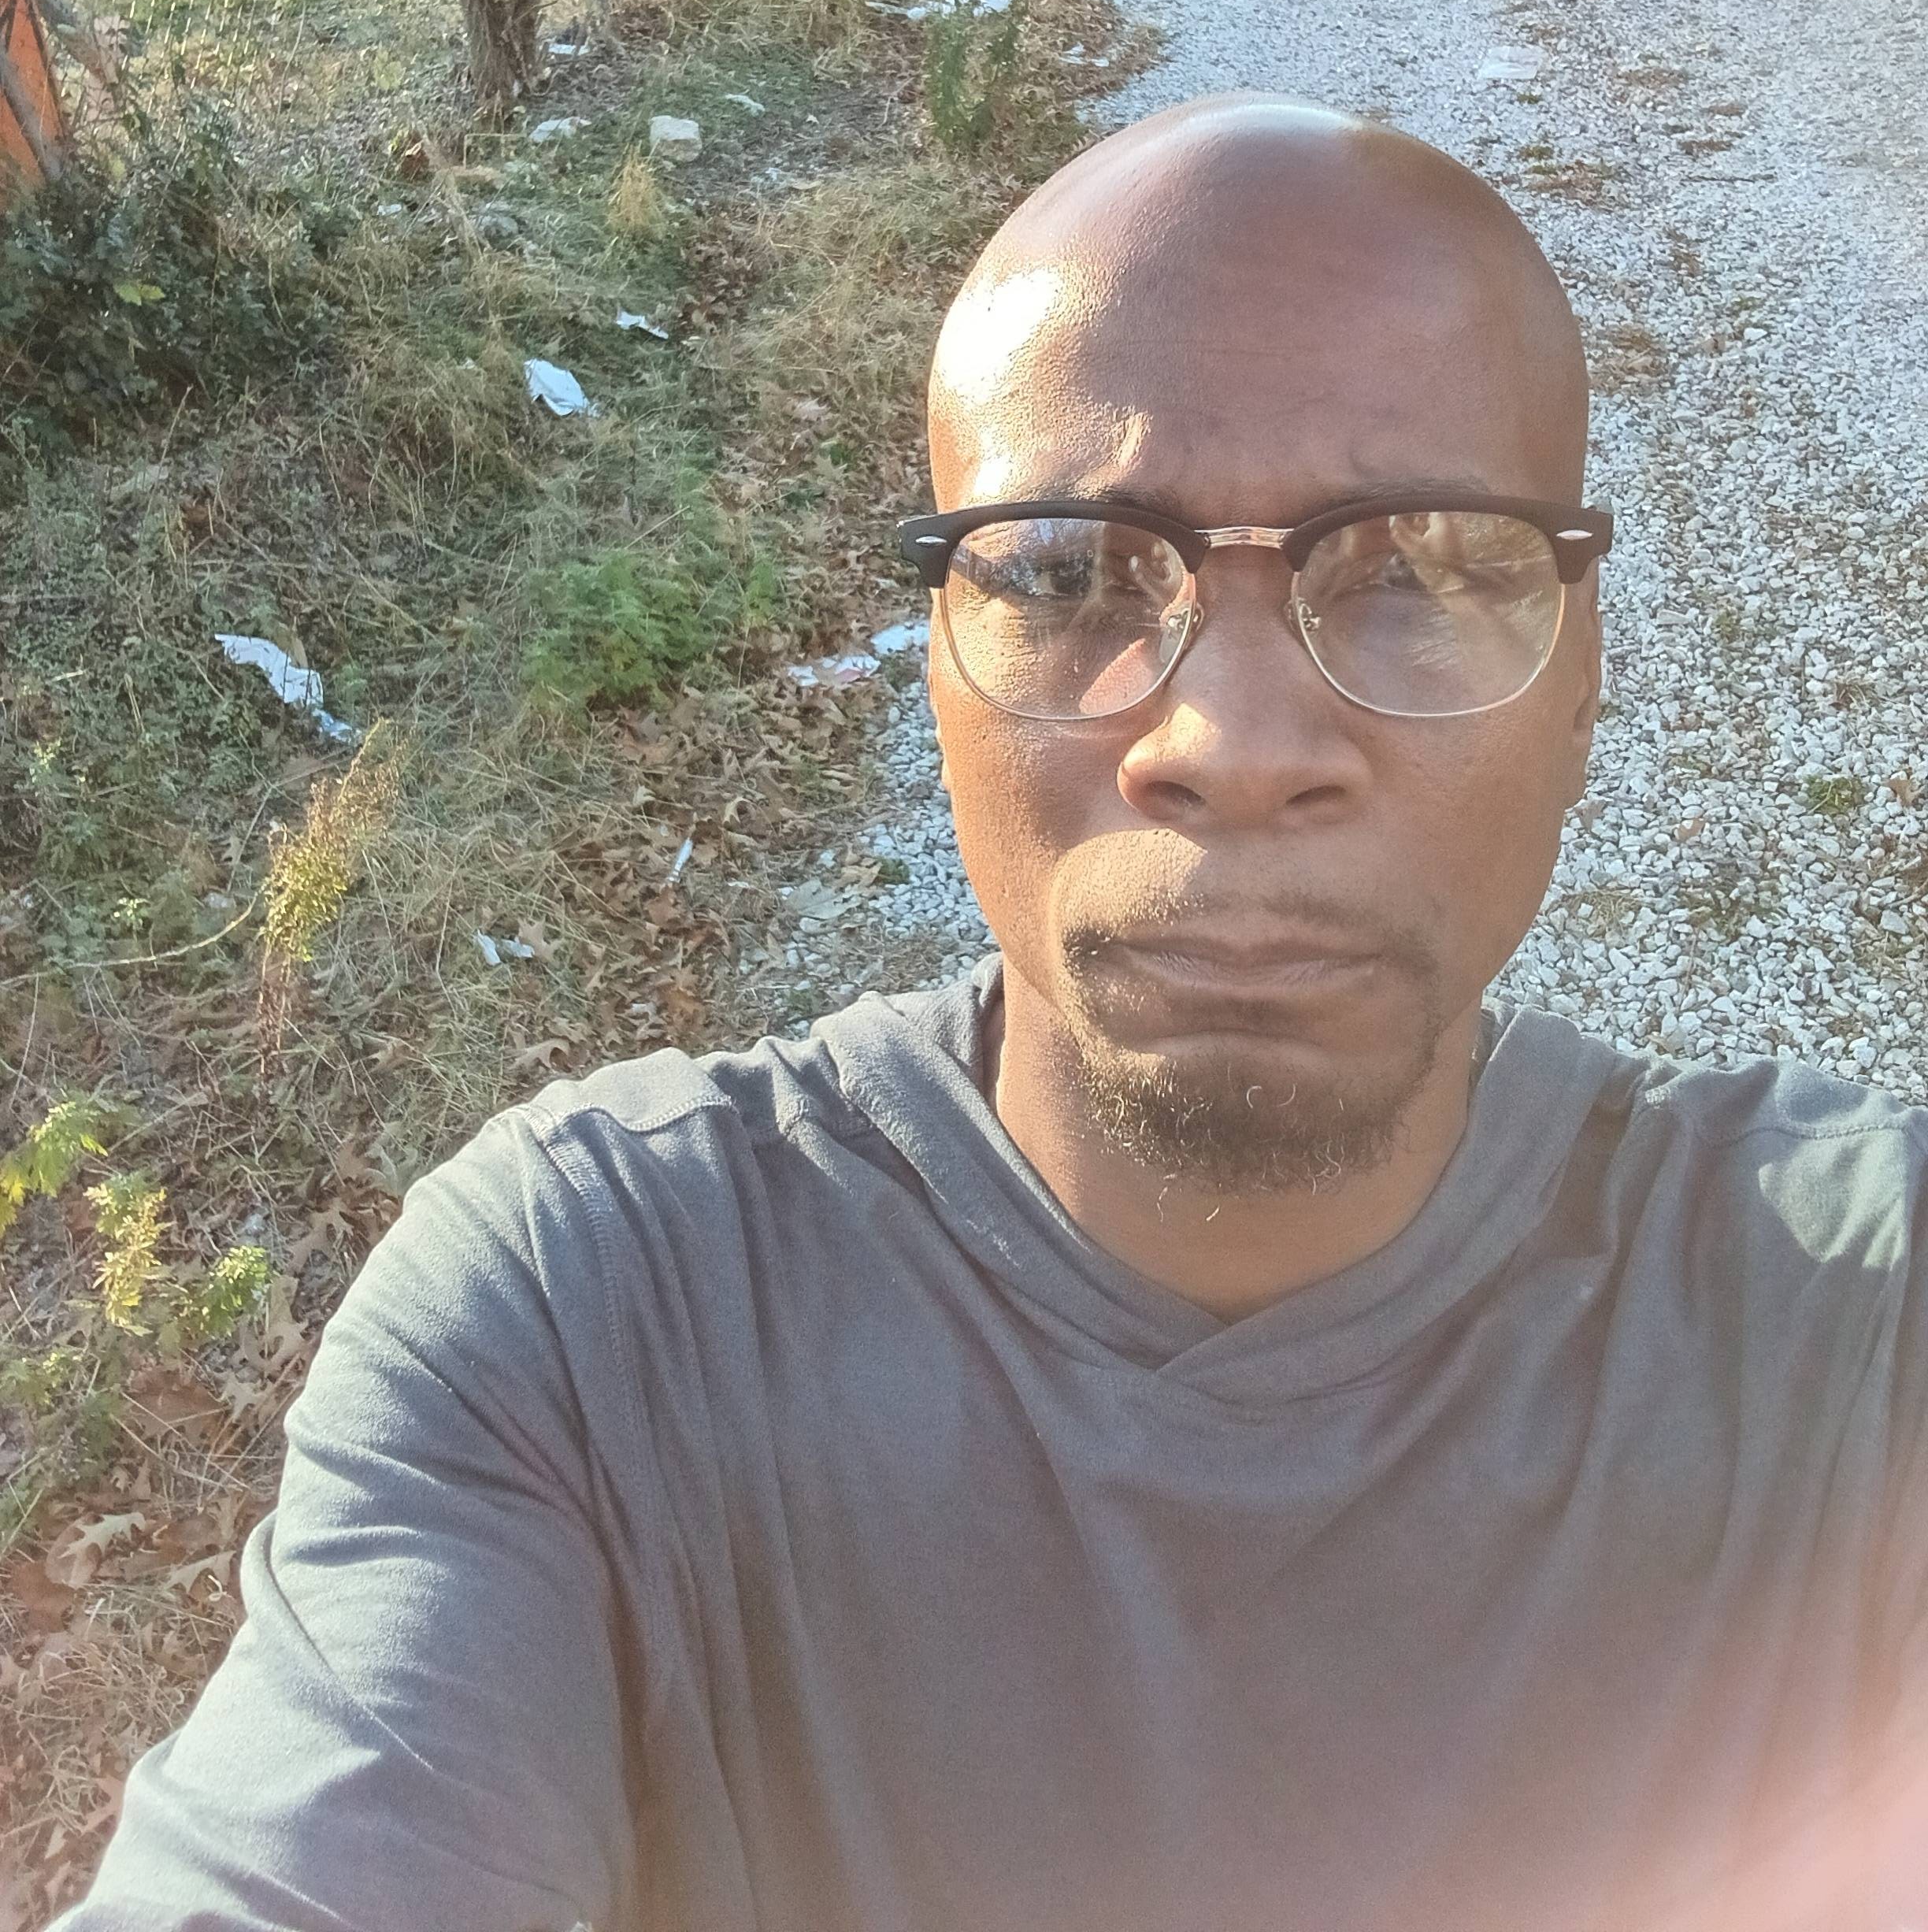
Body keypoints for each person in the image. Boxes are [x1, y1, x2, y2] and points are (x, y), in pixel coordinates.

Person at [58, 98, 1928, 1931]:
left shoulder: (1860, 1338)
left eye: (1421, 568)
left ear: (1581, 678)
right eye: (1070, 573)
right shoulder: (593, 1329)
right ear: (937, 674)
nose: (1231, 743)